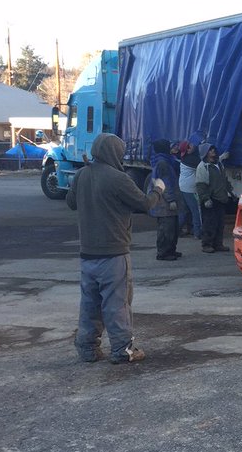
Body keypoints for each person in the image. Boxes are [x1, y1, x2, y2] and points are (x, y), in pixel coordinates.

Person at [66, 132, 166, 364]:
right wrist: (158, 190)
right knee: (117, 303)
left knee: (90, 303)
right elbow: (144, 204)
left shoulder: (82, 174)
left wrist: (81, 183)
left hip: (87, 254)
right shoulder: (118, 178)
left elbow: (71, 202)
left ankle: (87, 348)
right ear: (115, 153)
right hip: (113, 253)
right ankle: (122, 349)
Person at [195, 142, 234, 253]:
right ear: (205, 153)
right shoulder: (203, 167)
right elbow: (201, 185)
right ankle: (207, 244)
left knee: (220, 224)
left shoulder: (219, 164)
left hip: (220, 199)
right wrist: (205, 199)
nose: (213, 151)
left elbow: (224, 180)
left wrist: (231, 192)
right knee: (209, 224)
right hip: (210, 200)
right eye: (210, 150)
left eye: (213, 149)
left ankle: (218, 244)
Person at [149, 138, 183, 261]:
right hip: (164, 203)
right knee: (166, 229)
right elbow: (165, 183)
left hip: (165, 201)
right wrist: (171, 199)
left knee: (172, 227)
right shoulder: (162, 163)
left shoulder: (164, 160)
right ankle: (163, 253)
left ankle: (171, 250)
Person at [176, 132, 203, 237]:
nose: (190, 147)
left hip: (184, 186)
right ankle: (197, 232)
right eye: (188, 147)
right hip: (190, 189)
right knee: (195, 210)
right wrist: (221, 158)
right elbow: (205, 164)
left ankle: (181, 229)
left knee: (186, 210)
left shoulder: (186, 157)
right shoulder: (192, 159)